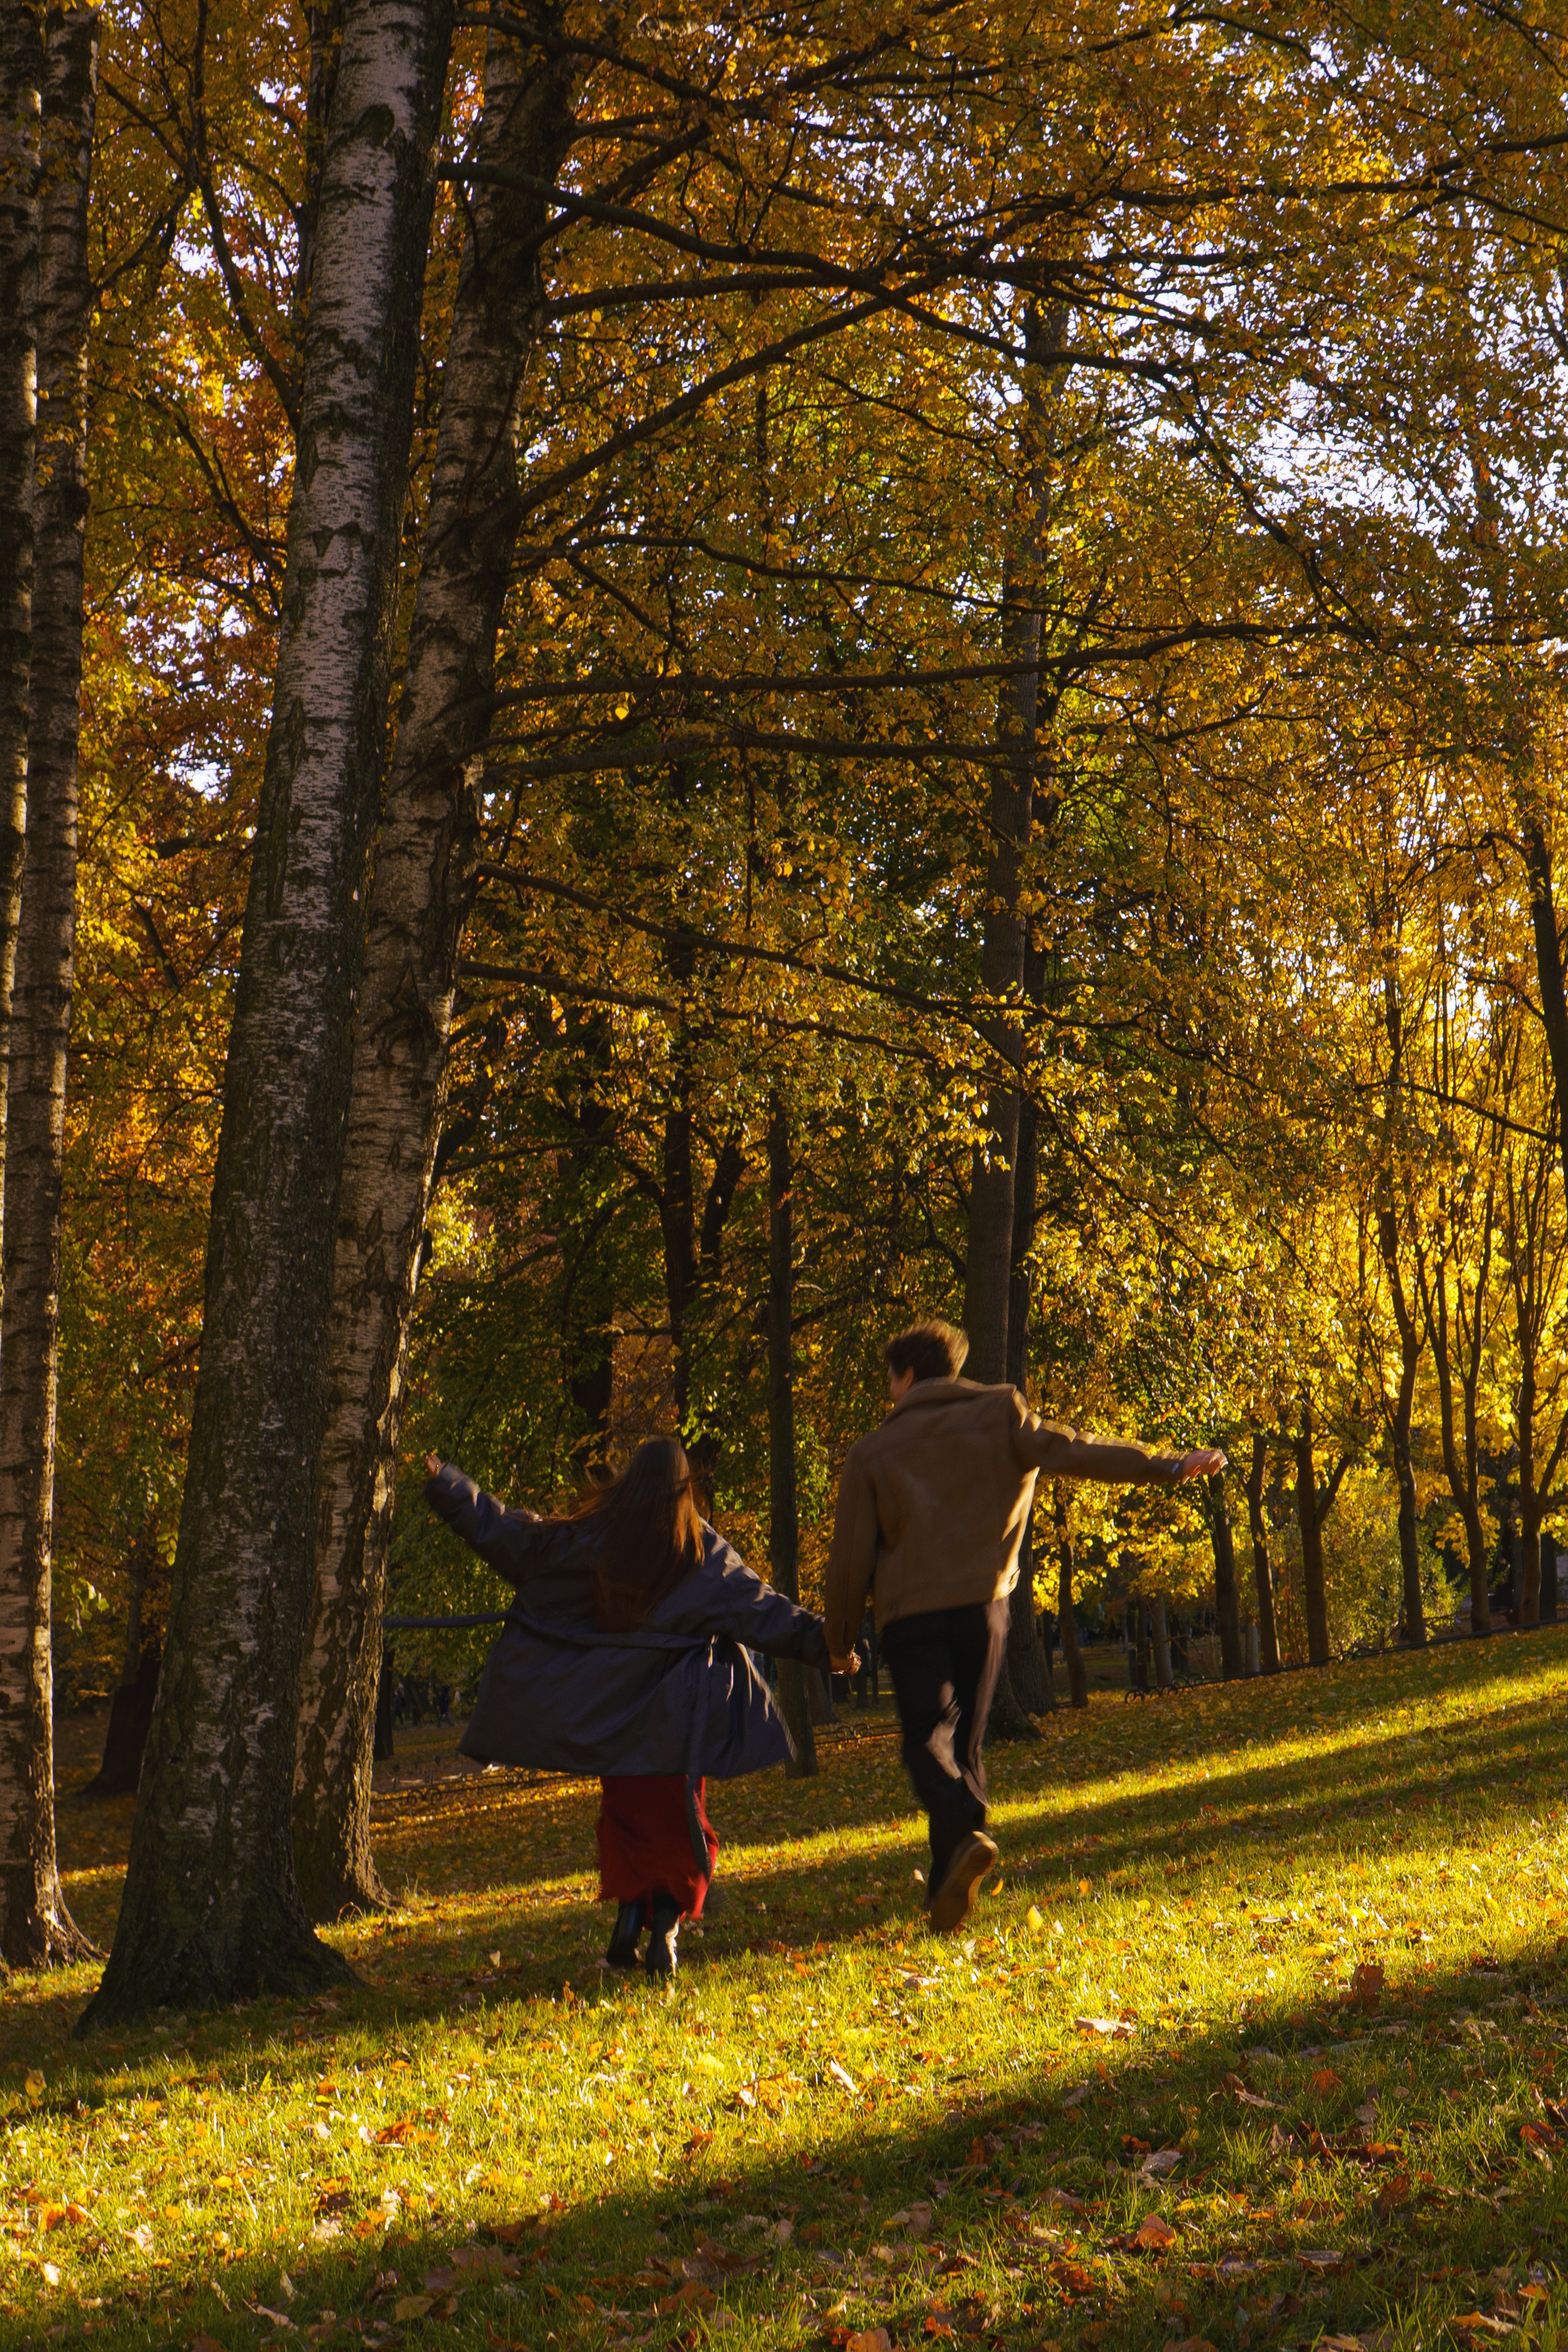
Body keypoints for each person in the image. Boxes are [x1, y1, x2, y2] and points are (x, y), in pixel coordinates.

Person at [823, 1320, 1225, 1934]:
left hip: (910, 1617)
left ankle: (969, 1818)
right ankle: (945, 1892)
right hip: (984, 1607)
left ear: (905, 1376)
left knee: (927, 1741)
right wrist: (1167, 1466)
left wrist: (839, 1641)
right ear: (950, 1371)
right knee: (966, 1748)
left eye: (890, 1381)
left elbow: (850, 1557)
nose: (889, 1395)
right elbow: (1076, 1450)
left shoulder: (873, 1450)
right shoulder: (999, 1411)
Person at [423, 1437, 842, 1977]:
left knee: (626, 1820)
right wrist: (825, 1644)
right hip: (674, 1725)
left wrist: (451, 1485)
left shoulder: (589, 1541)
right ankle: (663, 1932)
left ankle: (627, 1924)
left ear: (629, 1482)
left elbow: (513, 1536)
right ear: (684, 1488)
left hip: (613, 1721)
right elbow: (763, 1611)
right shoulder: (702, 1552)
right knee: (682, 1829)